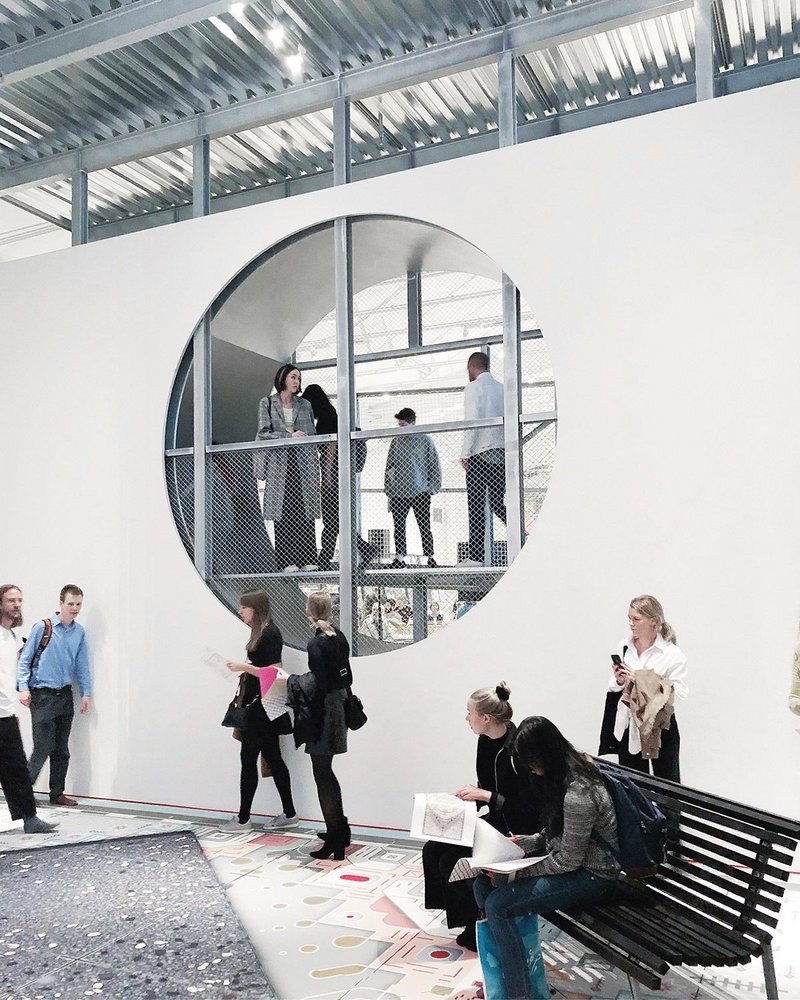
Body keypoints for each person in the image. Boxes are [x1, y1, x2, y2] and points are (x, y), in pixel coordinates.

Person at [472, 717, 620, 1000]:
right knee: (483, 886)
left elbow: (568, 860)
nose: (532, 771)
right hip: (573, 862)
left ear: (545, 755)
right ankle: (504, 983)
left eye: (531, 764)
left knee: (500, 904)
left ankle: (521, 994)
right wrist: (525, 843)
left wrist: (515, 873)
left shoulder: (580, 792)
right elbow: (555, 834)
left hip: (595, 874)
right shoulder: (562, 775)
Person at [422, 684, 539, 952]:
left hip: (518, 828)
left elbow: (528, 807)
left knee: (454, 858)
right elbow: (486, 785)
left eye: (469, 712)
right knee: (433, 847)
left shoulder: (517, 749)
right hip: (497, 818)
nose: (466, 719)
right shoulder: (485, 741)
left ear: (486, 718)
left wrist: (486, 796)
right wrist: (465, 802)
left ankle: (476, 924)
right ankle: (465, 916)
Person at [281, 591, 352, 860]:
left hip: (324, 713)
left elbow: (317, 682)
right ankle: (339, 831)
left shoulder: (317, 643)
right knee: (326, 773)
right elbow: (344, 675)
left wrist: (292, 680)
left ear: (308, 611)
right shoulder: (339, 636)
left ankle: (335, 837)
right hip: (338, 707)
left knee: (322, 774)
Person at [224, 591, 297, 831]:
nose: (240, 611)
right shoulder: (264, 632)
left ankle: (244, 818)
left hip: (262, 708)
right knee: (272, 759)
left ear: (255, 609)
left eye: (244, 608)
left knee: (251, 759)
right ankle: (288, 812)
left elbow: (276, 672)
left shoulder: (269, 634)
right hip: (263, 705)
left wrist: (245, 667)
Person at [17, 584, 92, 808]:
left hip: (64, 695)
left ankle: (56, 793)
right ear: (61, 603)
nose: (75, 608)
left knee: (62, 749)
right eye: (70, 604)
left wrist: (86, 692)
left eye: (78, 604)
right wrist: (23, 688)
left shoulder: (79, 632)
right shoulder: (43, 627)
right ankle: (23, 796)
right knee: (41, 748)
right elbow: (25, 659)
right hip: (42, 695)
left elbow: (82, 665)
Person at [604, 594, 687, 781]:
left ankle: (668, 813)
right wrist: (619, 680)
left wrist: (641, 679)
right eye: (629, 618)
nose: (631, 624)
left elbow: (678, 695)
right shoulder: (624, 646)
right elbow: (615, 687)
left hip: (659, 726)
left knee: (668, 786)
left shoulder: (671, 654)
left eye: (636, 619)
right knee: (632, 786)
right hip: (629, 724)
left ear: (653, 622)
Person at [300, 383, 377, 571]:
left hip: (333, 473)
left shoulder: (327, 418)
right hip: (342, 473)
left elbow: (330, 447)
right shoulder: (334, 414)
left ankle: (325, 559)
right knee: (337, 519)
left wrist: (325, 475)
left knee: (331, 518)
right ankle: (357, 550)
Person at [0, 585, 58, 834]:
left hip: (5, 715)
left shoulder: (12, 637)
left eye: (20, 600)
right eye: (11, 600)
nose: (16, 605)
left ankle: (29, 818)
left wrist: (11, 711)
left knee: (17, 767)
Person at [255, 364, 319, 572]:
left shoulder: (305, 404)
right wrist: (288, 437)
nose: (296, 382)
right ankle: (285, 560)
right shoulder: (267, 403)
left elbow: (311, 435)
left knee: (304, 508)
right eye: (293, 377)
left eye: (298, 378)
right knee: (283, 510)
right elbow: (263, 434)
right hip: (278, 463)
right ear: (282, 378)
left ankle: (308, 558)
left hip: (302, 461)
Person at [460, 352, 506, 566]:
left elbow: (472, 420)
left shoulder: (472, 388)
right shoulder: (502, 388)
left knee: (476, 506)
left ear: (472, 368)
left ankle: (476, 557)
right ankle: (521, 540)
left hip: (479, 453)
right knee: (498, 503)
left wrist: (465, 453)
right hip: (502, 453)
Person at [385, 408, 441, 568]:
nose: (401, 429)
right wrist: (389, 488)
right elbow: (390, 466)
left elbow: (434, 465)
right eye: (400, 425)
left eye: (404, 425)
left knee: (424, 525)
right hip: (399, 491)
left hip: (420, 490)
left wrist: (432, 488)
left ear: (413, 423)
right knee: (399, 526)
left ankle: (430, 557)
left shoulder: (425, 441)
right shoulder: (396, 442)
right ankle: (400, 557)